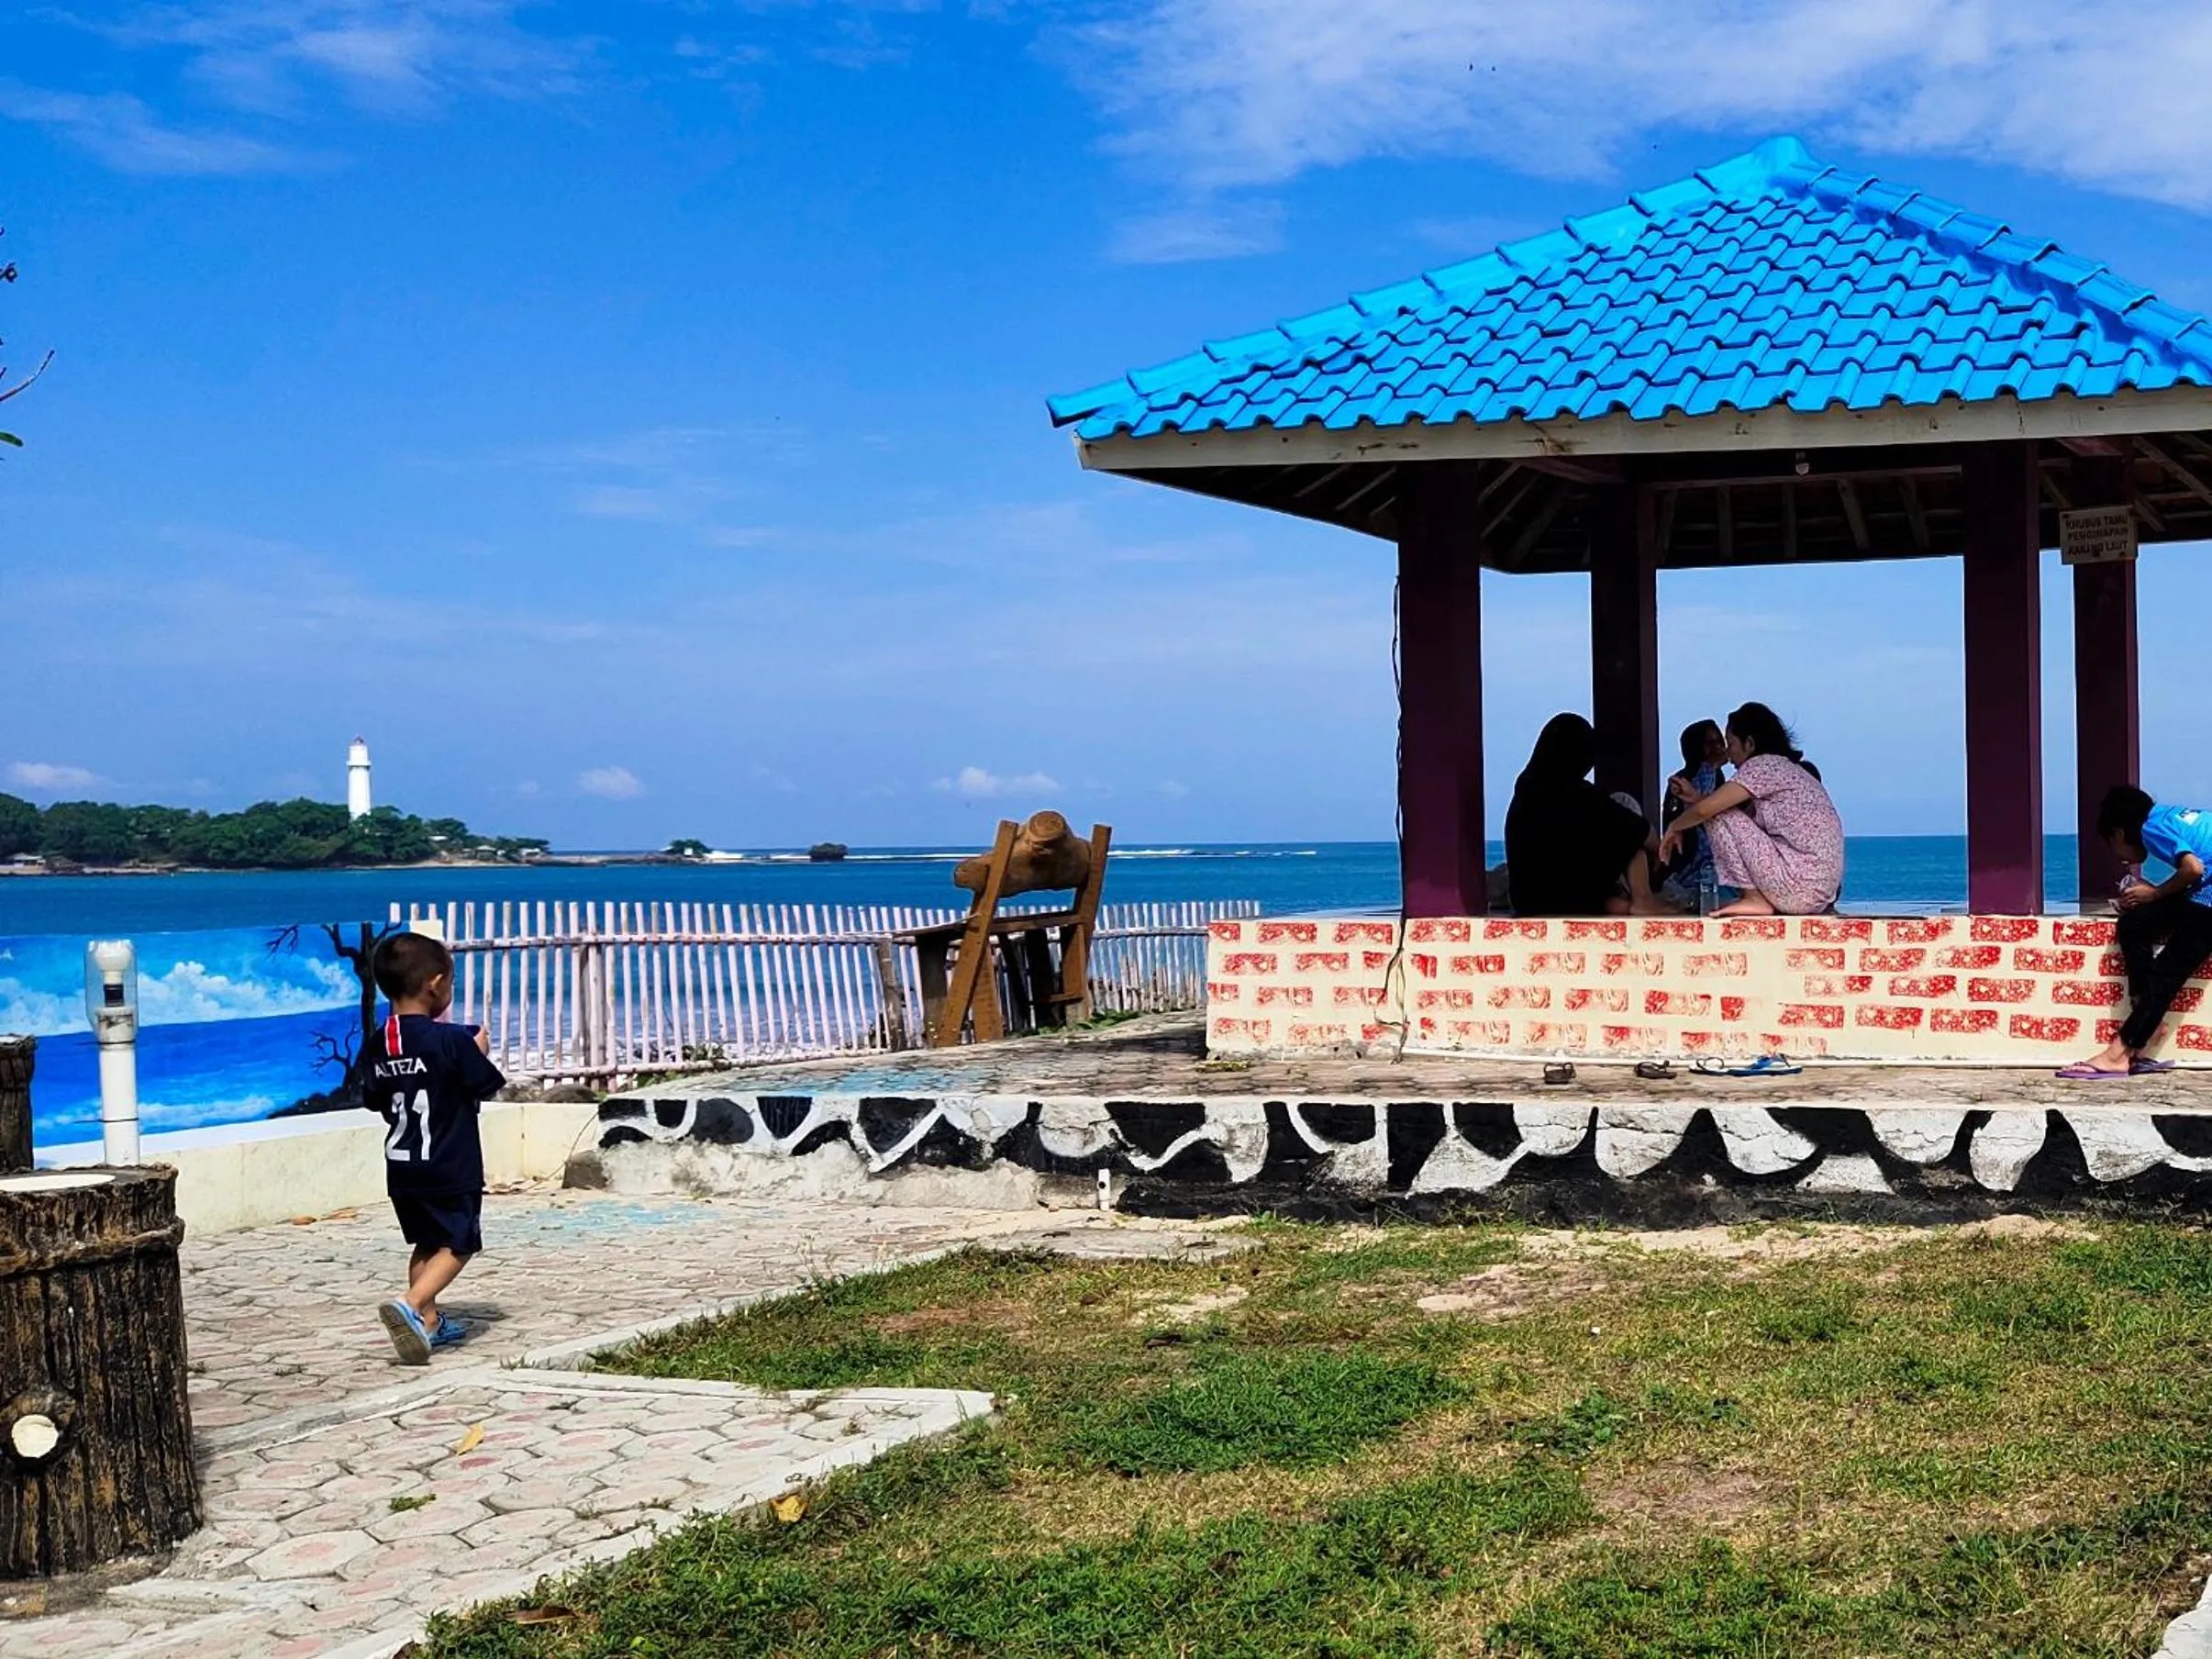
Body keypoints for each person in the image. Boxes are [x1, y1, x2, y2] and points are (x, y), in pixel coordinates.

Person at [366, 930, 505, 1364]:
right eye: (451, 983)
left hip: (403, 1168)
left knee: (426, 1243)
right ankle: (411, 1303)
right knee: (460, 1241)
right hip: (450, 1162)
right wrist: (477, 1051)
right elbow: (483, 1085)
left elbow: (373, 1097)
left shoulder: (379, 1041)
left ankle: (427, 1322)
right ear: (435, 983)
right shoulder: (450, 1041)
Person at [2060, 785, 2212, 1080]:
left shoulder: (2151, 828)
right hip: (2202, 891)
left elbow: (2193, 869)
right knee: (2134, 924)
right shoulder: (2171, 815)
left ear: (2118, 834)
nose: (2122, 857)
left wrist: (2154, 895)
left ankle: (2118, 1054)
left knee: (2166, 977)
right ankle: (2140, 999)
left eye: (2113, 847)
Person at [1659, 702, 1843, 917]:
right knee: (1720, 813)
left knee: (1718, 814)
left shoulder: (1762, 766)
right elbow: (1741, 827)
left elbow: (1707, 812)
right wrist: (1696, 798)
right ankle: (1754, 898)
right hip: (1815, 892)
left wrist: (1675, 826)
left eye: (1730, 743)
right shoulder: (1785, 768)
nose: (1727, 752)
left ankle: (1753, 898)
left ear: (1750, 744)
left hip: (1798, 887)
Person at [1505, 712, 1663, 916]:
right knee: (1625, 812)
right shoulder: (1580, 796)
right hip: (1575, 897)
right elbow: (1641, 831)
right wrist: (1659, 850)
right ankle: (1643, 899)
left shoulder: (1526, 791)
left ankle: (1618, 902)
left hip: (1529, 901)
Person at [1661, 719, 1727, 908]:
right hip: (1697, 865)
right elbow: (1706, 808)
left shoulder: (1714, 776)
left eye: (1719, 741)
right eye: (1709, 743)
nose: (1718, 747)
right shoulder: (1702, 773)